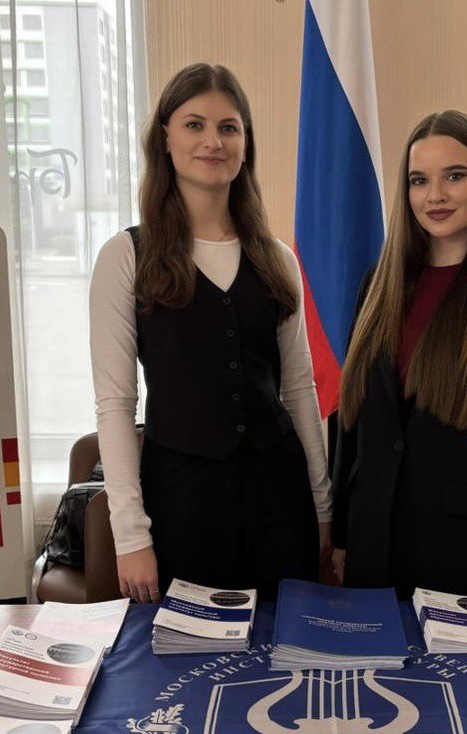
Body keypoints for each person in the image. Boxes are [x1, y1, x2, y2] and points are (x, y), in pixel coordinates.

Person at [90, 63, 331, 603]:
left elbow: (300, 389)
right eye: (194, 124)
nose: (213, 141)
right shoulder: (126, 256)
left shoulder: (279, 259)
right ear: (165, 139)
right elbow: (115, 404)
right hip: (181, 502)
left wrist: (322, 508)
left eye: (228, 127)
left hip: (280, 500)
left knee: (285, 644)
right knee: (191, 650)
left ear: (245, 144)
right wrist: (130, 536)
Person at [331, 110, 467, 600]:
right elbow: (352, 420)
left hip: (466, 552)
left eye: (454, 176)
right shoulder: (377, 285)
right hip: (374, 542)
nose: (435, 195)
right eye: (419, 180)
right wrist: (343, 533)